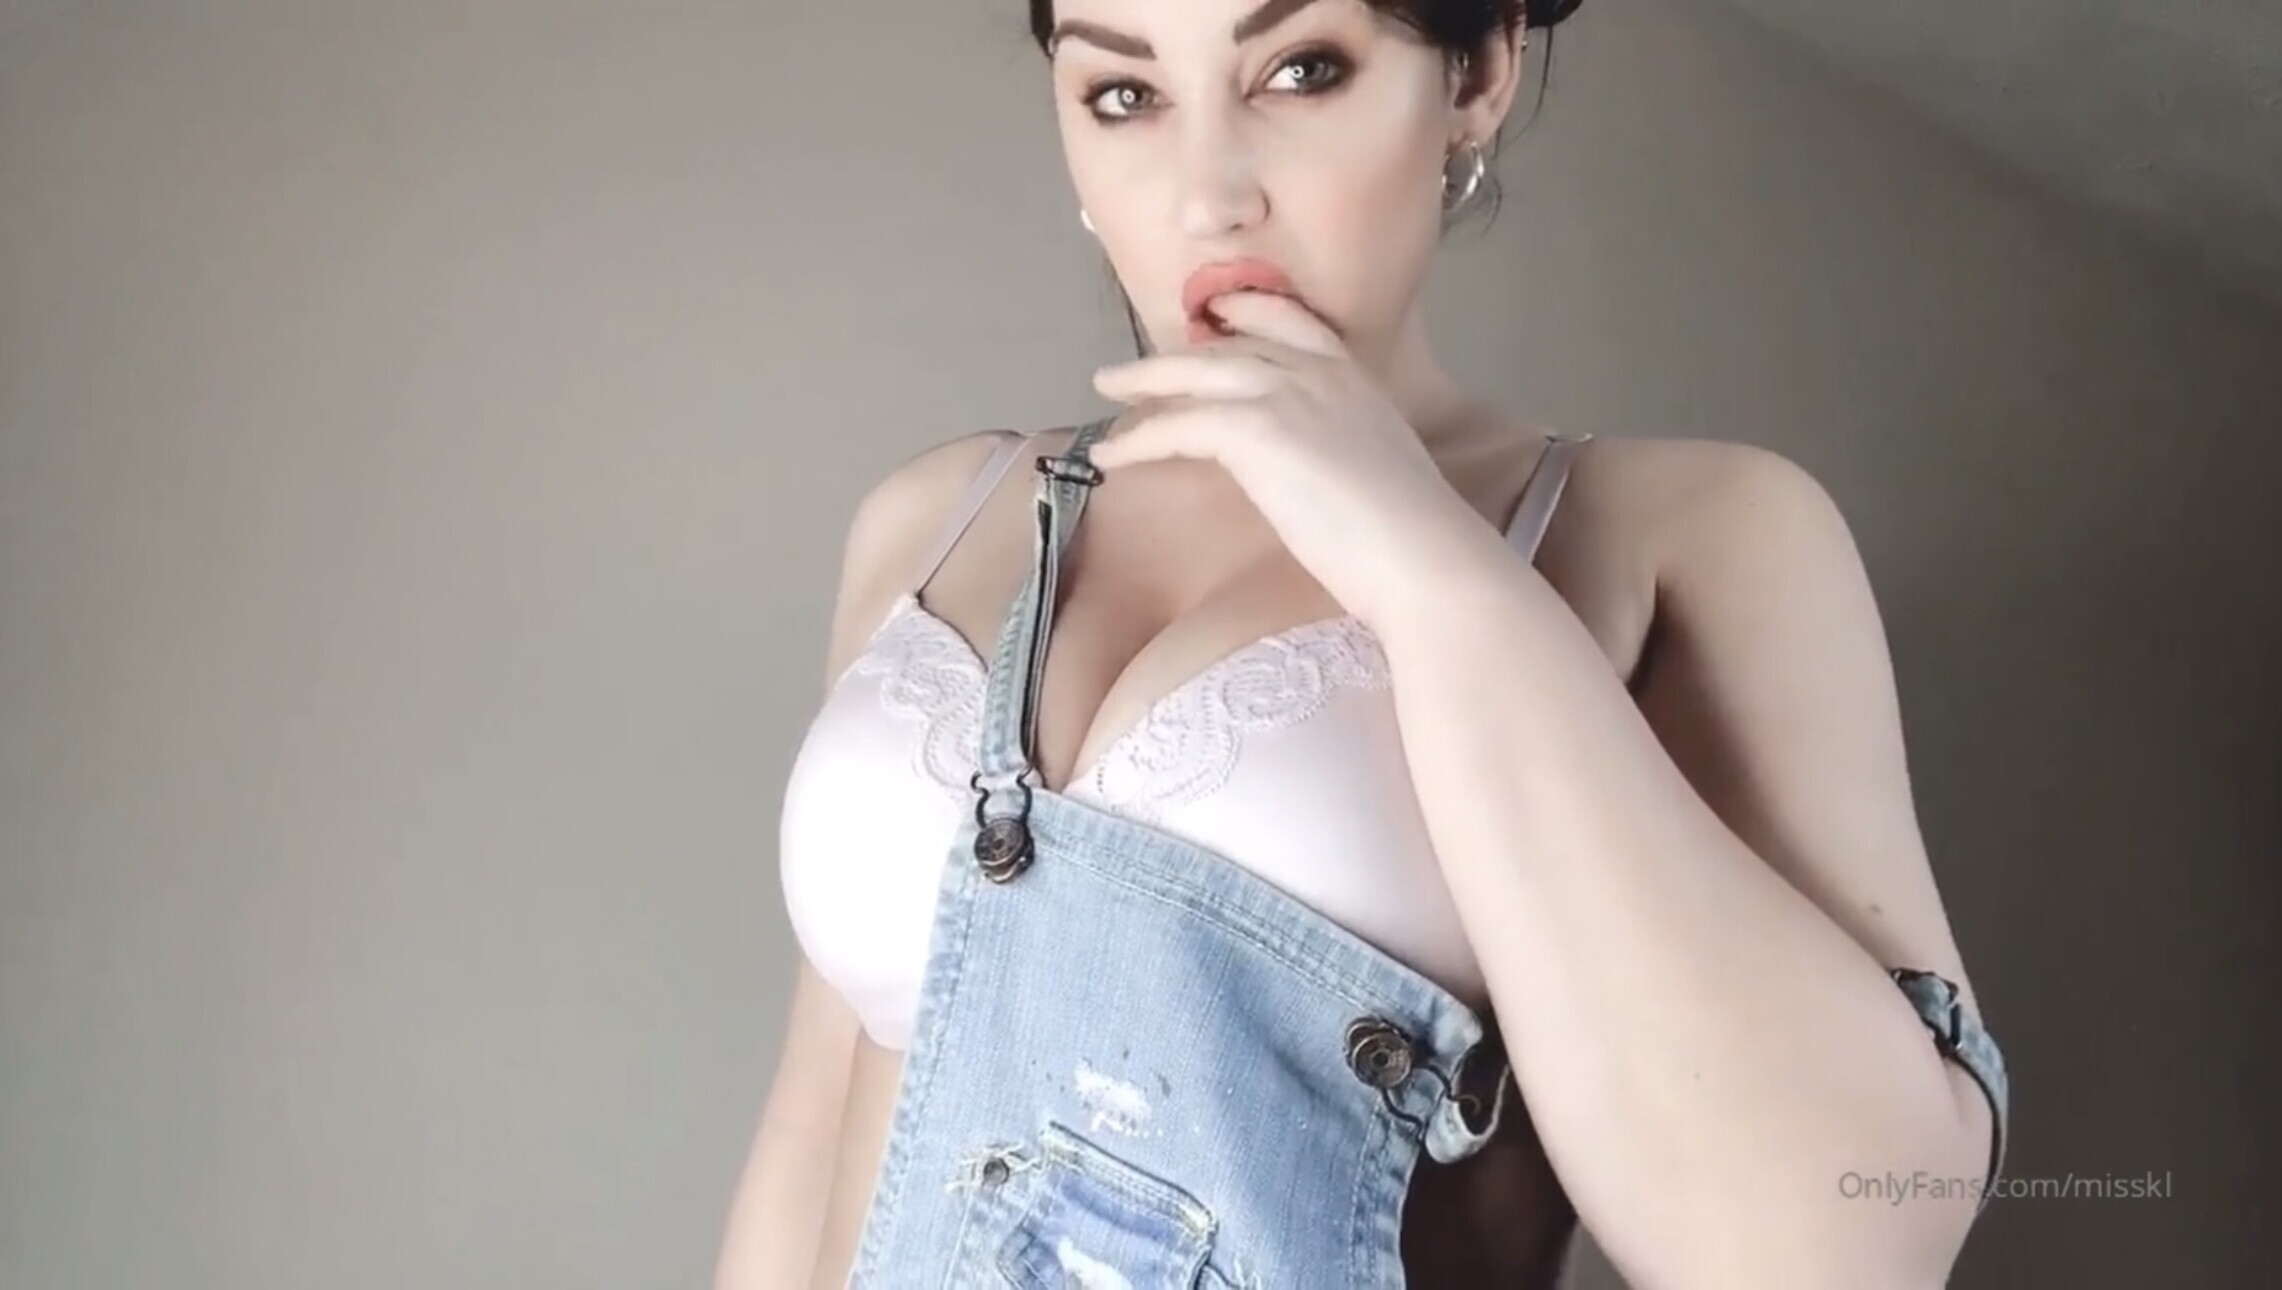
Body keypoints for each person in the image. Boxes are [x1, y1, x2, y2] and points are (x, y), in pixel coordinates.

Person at [716, 0, 2010, 1284]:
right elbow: (810, 1133)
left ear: (1479, 72)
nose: (1207, 197)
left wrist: (1426, 567)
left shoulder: (1676, 534)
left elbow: (1842, 1247)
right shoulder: (942, 516)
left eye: (1300, 71)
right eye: (1125, 95)